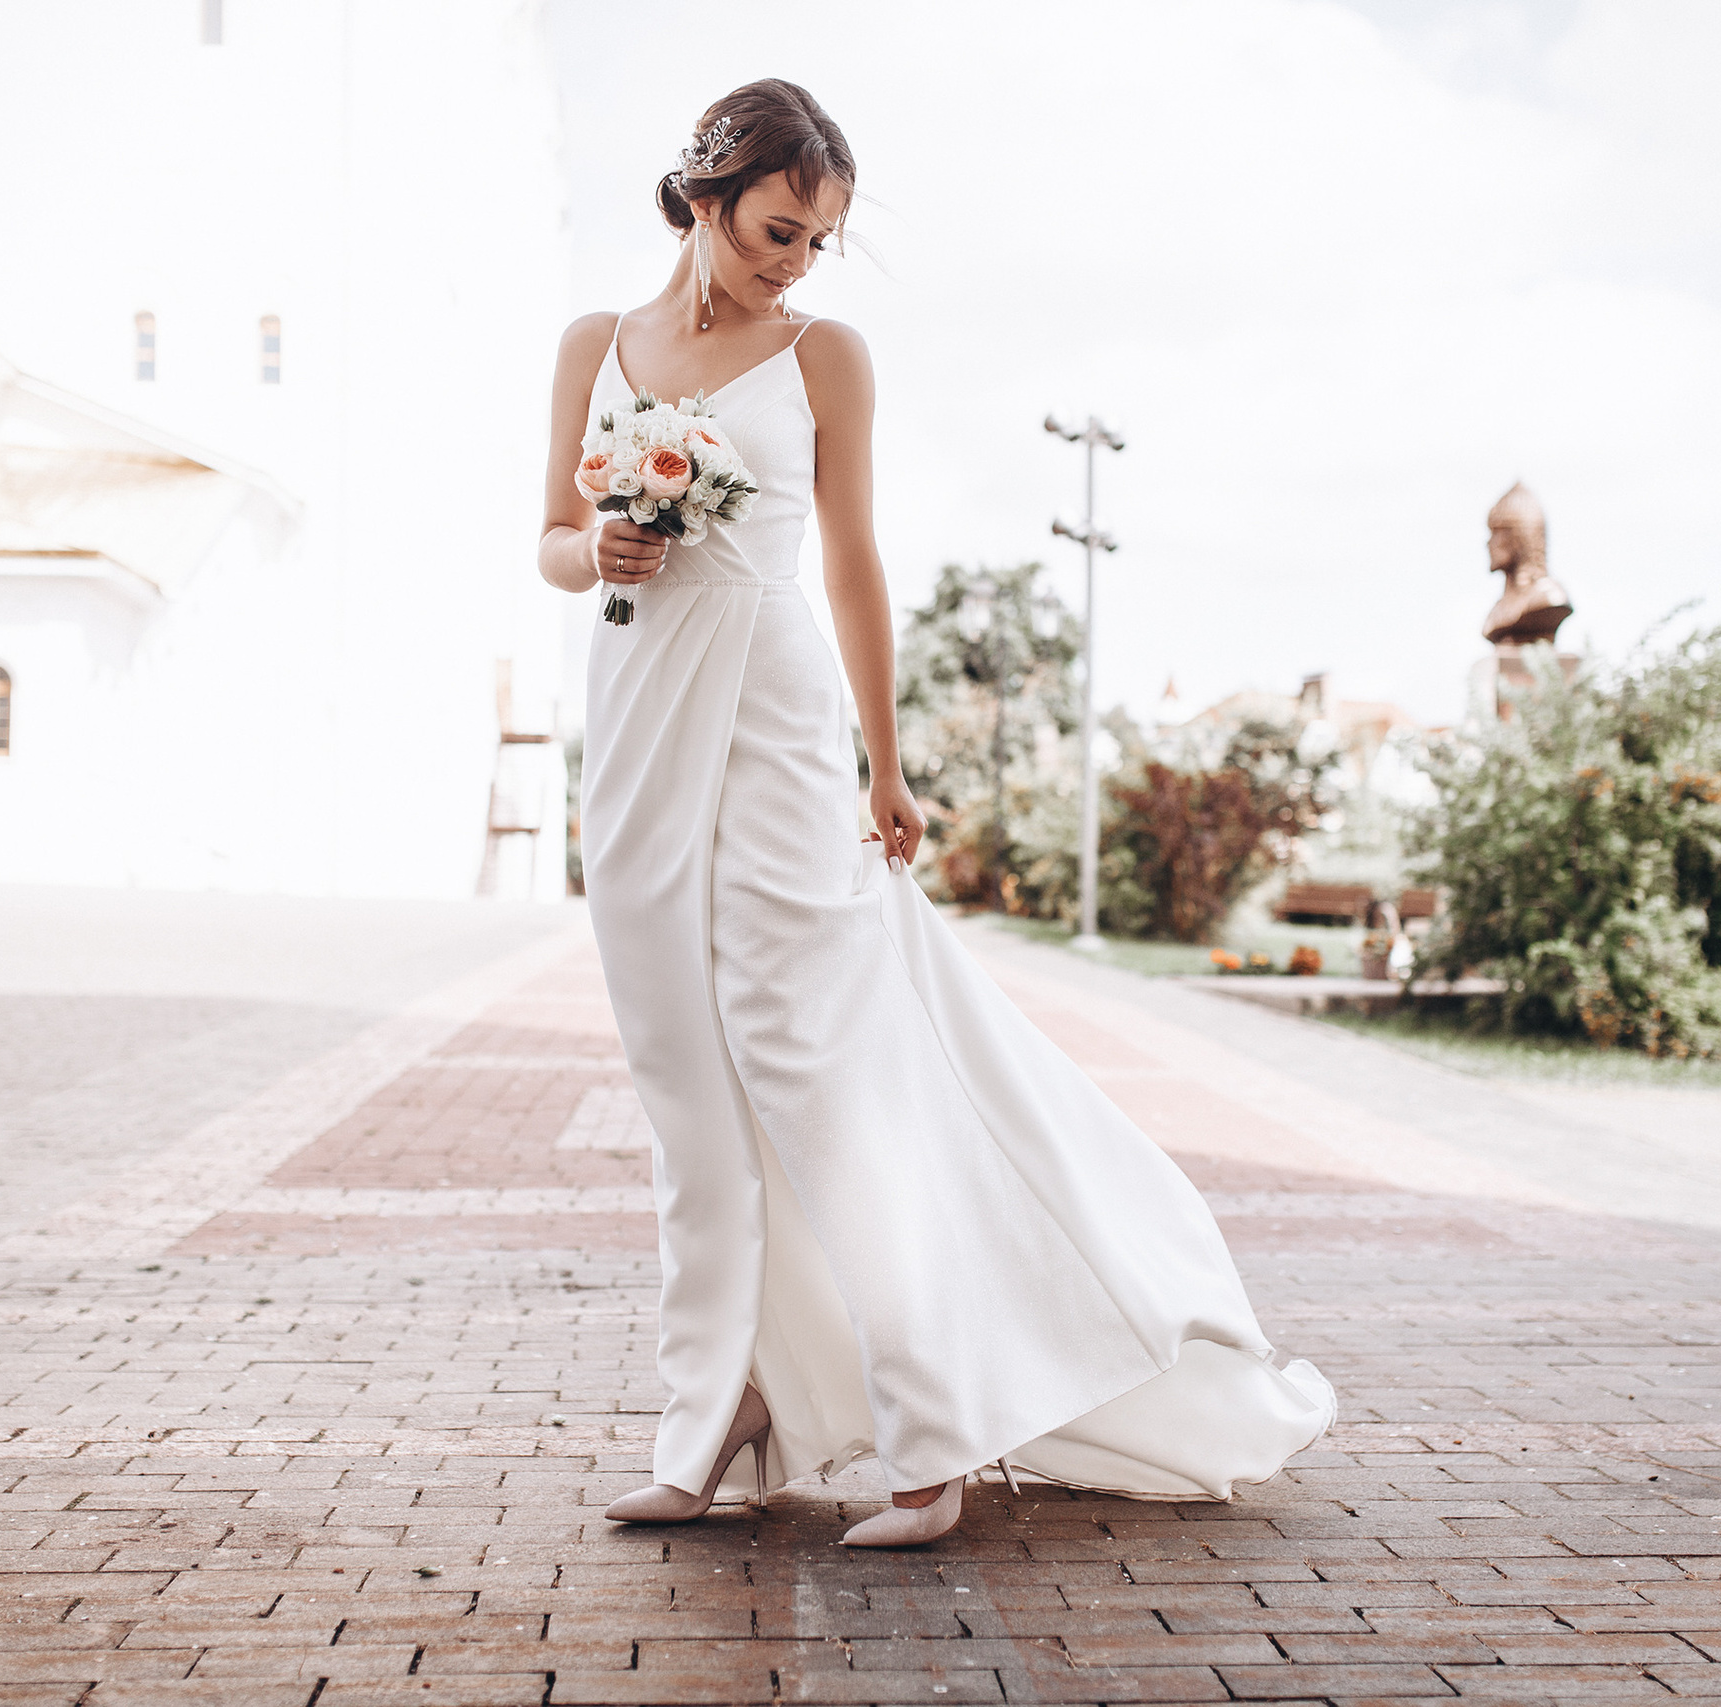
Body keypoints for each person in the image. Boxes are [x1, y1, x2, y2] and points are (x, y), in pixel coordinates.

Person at [534, 78, 1334, 1548]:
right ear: (704, 195)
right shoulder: (598, 345)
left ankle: (928, 1441)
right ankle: (719, 1418)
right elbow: (547, 547)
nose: (793, 263)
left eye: (817, 242)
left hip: (776, 711)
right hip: (638, 703)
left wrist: (886, 765)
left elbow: (851, 564)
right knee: (680, 1082)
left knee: (806, 1058)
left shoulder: (825, 358)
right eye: (777, 230)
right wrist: (605, 542)